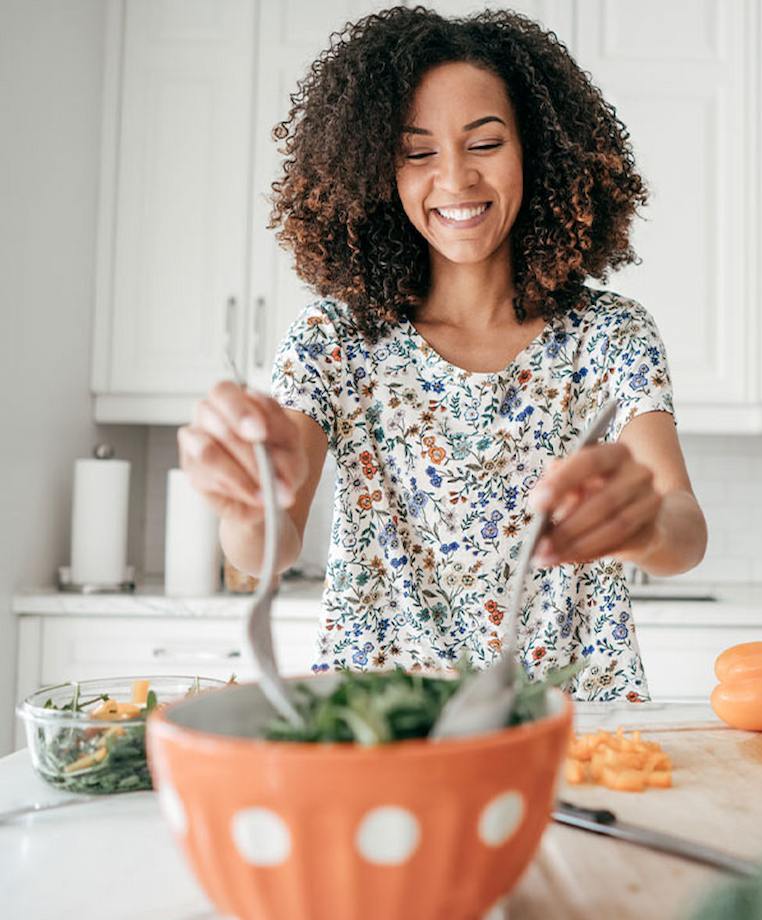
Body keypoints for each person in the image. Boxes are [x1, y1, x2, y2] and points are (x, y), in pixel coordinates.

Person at [178, 7, 707, 701]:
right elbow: (262, 554)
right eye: (418, 153)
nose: (455, 180)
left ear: (536, 152)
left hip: (576, 728)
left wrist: (642, 527)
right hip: (386, 729)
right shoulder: (336, 340)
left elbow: (684, 530)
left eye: (484, 144)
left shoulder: (607, 334)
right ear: (375, 174)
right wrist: (248, 503)